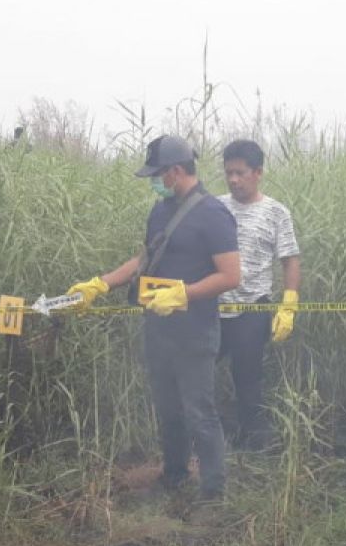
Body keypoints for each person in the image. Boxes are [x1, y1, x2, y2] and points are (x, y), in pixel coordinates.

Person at [67, 136, 240, 502]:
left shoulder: (213, 214)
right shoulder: (161, 209)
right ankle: (174, 476)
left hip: (195, 333)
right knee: (168, 410)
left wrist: (183, 293)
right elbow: (144, 258)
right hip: (158, 331)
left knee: (200, 413)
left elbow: (230, 275)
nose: (154, 182)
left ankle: (213, 493)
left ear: (176, 171)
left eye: (157, 174)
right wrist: (101, 284)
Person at [216, 139, 301, 450]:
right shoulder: (215, 207)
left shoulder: (276, 213)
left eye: (240, 172)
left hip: (253, 309)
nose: (234, 179)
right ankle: (208, 439)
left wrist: (289, 304)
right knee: (197, 374)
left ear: (258, 172)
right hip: (213, 308)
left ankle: (255, 445)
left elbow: (290, 260)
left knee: (248, 378)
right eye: (229, 173)